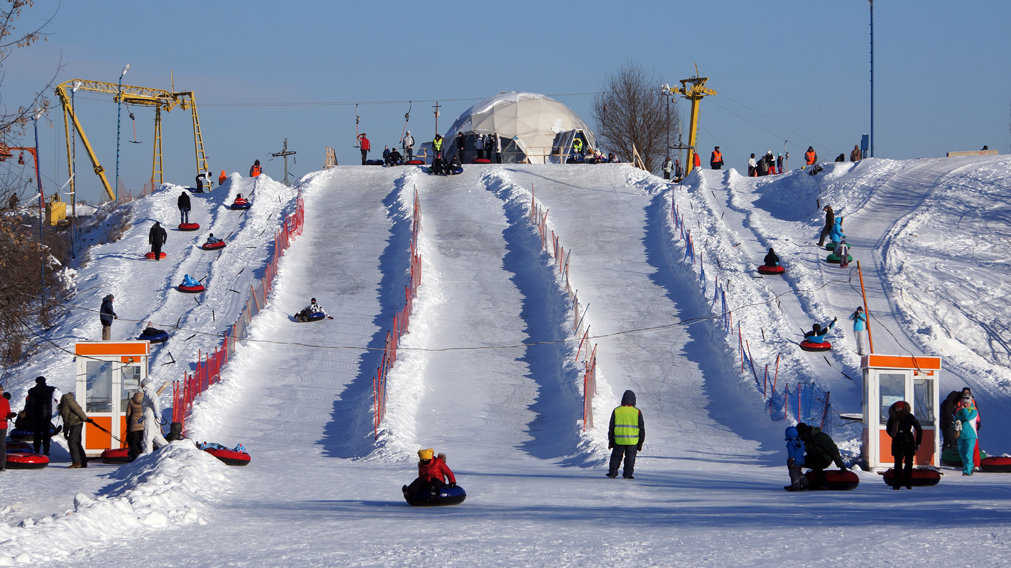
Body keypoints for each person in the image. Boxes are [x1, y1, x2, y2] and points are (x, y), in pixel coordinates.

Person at [606, 389, 644, 479]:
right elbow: (641, 428)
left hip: (619, 440)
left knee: (616, 457)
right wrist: (640, 442)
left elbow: (611, 427)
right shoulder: (637, 412)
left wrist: (611, 440)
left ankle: (612, 473)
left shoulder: (616, 411)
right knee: (630, 459)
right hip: (633, 441)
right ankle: (628, 474)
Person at [795, 422, 846, 488]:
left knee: (815, 463)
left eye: (801, 436)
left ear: (805, 433)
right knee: (797, 462)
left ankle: (823, 483)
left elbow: (833, 451)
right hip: (813, 457)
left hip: (825, 458)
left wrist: (841, 466)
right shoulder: (806, 439)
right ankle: (799, 483)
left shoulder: (821, 437)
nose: (801, 438)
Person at [886, 401, 923, 490]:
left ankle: (907, 482)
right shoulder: (893, 417)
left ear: (903, 408)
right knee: (898, 463)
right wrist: (892, 433)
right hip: (899, 441)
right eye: (896, 408)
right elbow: (888, 429)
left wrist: (918, 442)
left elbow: (919, 429)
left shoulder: (909, 417)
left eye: (899, 407)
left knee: (908, 463)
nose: (897, 409)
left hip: (907, 441)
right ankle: (897, 483)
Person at [58, 391, 92, 469]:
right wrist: (65, 431)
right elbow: (66, 419)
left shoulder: (69, 400)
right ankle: (83, 462)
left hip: (77, 422)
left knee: (72, 442)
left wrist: (85, 418)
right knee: (76, 443)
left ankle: (77, 462)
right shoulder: (63, 404)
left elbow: (77, 409)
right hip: (72, 424)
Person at [26, 376, 58, 456]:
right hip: (47, 415)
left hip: (36, 415)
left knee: (37, 434)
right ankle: (46, 451)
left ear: (36, 382)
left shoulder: (32, 391)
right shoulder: (50, 389)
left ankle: (36, 450)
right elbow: (57, 390)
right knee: (46, 434)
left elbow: (30, 403)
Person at [955, 387, 981, 471]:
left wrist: (977, 424)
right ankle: (968, 465)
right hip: (963, 432)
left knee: (973, 448)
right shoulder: (960, 406)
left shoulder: (972, 407)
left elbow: (973, 417)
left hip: (972, 430)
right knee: (964, 450)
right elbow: (958, 416)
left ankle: (974, 465)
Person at [141, 380, 169, 455]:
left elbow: (155, 399)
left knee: (147, 437)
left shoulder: (148, 391)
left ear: (144, 385)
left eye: (141, 385)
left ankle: (147, 455)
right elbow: (148, 407)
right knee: (158, 437)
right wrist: (142, 417)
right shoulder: (149, 391)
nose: (141, 386)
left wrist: (157, 412)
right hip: (152, 417)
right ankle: (169, 449)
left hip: (150, 418)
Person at [784, 425, 808, 491]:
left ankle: (796, 486)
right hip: (801, 460)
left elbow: (791, 452)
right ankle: (806, 484)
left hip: (794, 461)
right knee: (799, 472)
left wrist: (791, 459)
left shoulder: (790, 443)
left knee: (793, 473)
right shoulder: (800, 442)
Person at [0, 384, 16, 472]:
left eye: (1, 390)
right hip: (1, 423)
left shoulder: (5, 401)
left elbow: (8, 412)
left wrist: (11, 415)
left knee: (2, 445)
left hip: (2, 426)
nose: (1, 392)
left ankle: (1, 465)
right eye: (0, 390)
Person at [125, 390, 145, 461]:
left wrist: (128, 421)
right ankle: (143, 454)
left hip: (134, 424)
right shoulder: (145, 399)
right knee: (143, 440)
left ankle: (134, 456)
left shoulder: (131, 400)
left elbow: (128, 413)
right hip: (143, 423)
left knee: (134, 441)